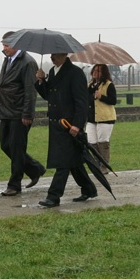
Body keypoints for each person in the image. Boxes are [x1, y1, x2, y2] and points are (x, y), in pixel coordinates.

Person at [35, 53, 98, 207]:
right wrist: (41, 81)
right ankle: (89, 189)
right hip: (56, 124)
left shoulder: (75, 73)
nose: (52, 57)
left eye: (55, 54)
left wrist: (77, 124)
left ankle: (53, 196)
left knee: (62, 161)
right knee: (73, 160)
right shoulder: (52, 72)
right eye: (51, 54)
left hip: (69, 124)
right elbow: (49, 96)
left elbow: (81, 102)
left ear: (65, 54)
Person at [0, 31, 46, 196]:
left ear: (17, 44)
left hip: (19, 112)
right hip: (6, 111)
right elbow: (2, 82)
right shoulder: (7, 60)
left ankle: (14, 185)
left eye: (7, 45)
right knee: (5, 145)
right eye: (3, 45)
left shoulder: (28, 63)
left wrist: (27, 114)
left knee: (16, 149)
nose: (4, 48)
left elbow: (31, 91)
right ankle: (35, 168)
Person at [87, 64, 117, 174]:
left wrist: (101, 97)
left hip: (105, 118)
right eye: (94, 70)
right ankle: (97, 163)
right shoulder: (90, 85)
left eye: (99, 71)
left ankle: (104, 165)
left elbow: (113, 100)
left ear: (104, 73)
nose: (96, 73)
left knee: (103, 142)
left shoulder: (109, 85)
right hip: (91, 118)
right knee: (91, 142)